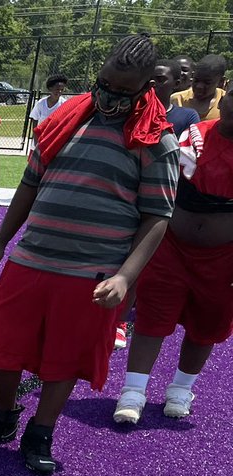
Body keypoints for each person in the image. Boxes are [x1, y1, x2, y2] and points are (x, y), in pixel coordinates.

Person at [0, 34, 179, 475]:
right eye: (104, 83)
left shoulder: (156, 140)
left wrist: (125, 277)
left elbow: (157, 218)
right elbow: (31, 185)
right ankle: (1, 418)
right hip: (34, 254)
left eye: (122, 90)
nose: (109, 95)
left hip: (93, 269)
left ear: (147, 87)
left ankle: (41, 431)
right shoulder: (66, 119)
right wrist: (0, 243)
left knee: (66, 354)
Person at [114, 89, 233, 424]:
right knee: (152, 316)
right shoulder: (194, 136)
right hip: (174, 248)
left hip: (223, 257)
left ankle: (182, 388)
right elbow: (170, 186)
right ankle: (133, 391)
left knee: (207, 325)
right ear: (223, 101)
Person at [171, 54, 227, 121]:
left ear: (221, 81)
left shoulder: (226, 102)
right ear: (192, 75)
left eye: (207, 82)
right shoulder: (177, 99)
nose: (199, 86)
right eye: (196, 80)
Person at [154, 58, 201, 136]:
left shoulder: (188, 116)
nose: (153, 83)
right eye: (150, 79)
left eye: (160, 80)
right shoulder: (136, 113)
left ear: (176, 84)